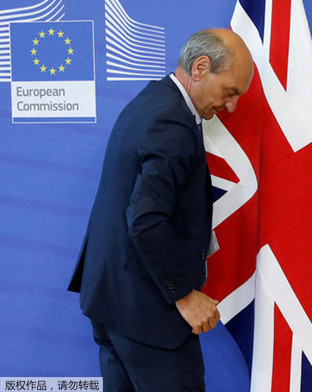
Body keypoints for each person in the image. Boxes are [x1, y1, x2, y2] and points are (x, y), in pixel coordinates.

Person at [68, 28, 254, 391]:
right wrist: (184, 295)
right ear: (200, 67)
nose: (231, 106)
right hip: (147, 313)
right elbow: (146, 220)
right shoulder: (172, 123)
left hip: (112, 301)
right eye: (229, 92)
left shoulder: (152, 101)